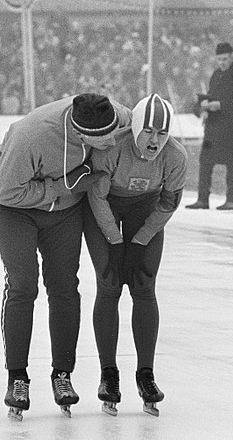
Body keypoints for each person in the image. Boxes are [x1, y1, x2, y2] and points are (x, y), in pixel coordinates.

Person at [0, 92, 131, 420]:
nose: (112, 142)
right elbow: (6, 192)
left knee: (65, 287)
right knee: (24, 285)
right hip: (15, 209)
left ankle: (62, 374)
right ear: (82, 135)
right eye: (104, 140)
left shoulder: (115, 118)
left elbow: (139, 126)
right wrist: (59, 187)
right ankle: (17, 378)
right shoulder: (33, 136)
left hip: (65, 212)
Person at [82, 93, 187, 417]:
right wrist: (114, 242)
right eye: (149, 132)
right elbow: (97, 198)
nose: (155, 141)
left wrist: (140, 241)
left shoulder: (175, 157)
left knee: (143, 285)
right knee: (110, 284)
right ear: (137, 128)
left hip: (146, 208)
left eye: (162, 133)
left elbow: (169, 203)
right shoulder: (113, 147)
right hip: (106, 206)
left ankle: (146, 375)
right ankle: (108, 375)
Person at [186, 42, 233, 210]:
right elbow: (213, 94)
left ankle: (231, 200)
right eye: (219, 59)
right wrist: (203, 100)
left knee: (232, 164)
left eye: (225, 59)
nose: (222, 63)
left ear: (232, 57)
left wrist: (220, 105)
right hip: (213, 127)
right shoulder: (215, 75)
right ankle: (202, 199)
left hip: (231, 128)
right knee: (205, 161)